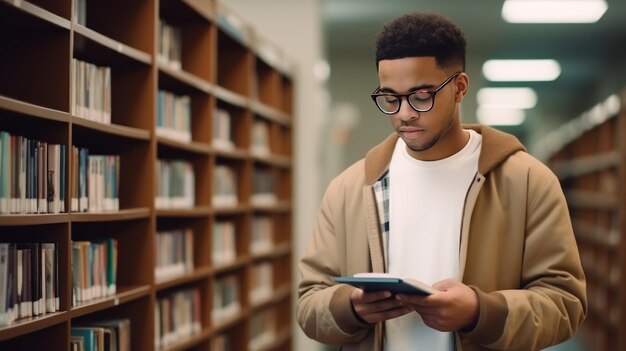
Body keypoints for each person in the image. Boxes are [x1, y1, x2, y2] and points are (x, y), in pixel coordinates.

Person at [296, 11, 587, 351]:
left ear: (460, 87)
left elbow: (566, 304)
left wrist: (480, 313)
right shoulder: (349, 189)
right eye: (390, 98)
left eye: (421, 96)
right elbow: (308, 304)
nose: (405, 113)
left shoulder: (527, 181)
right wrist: (351, 307)